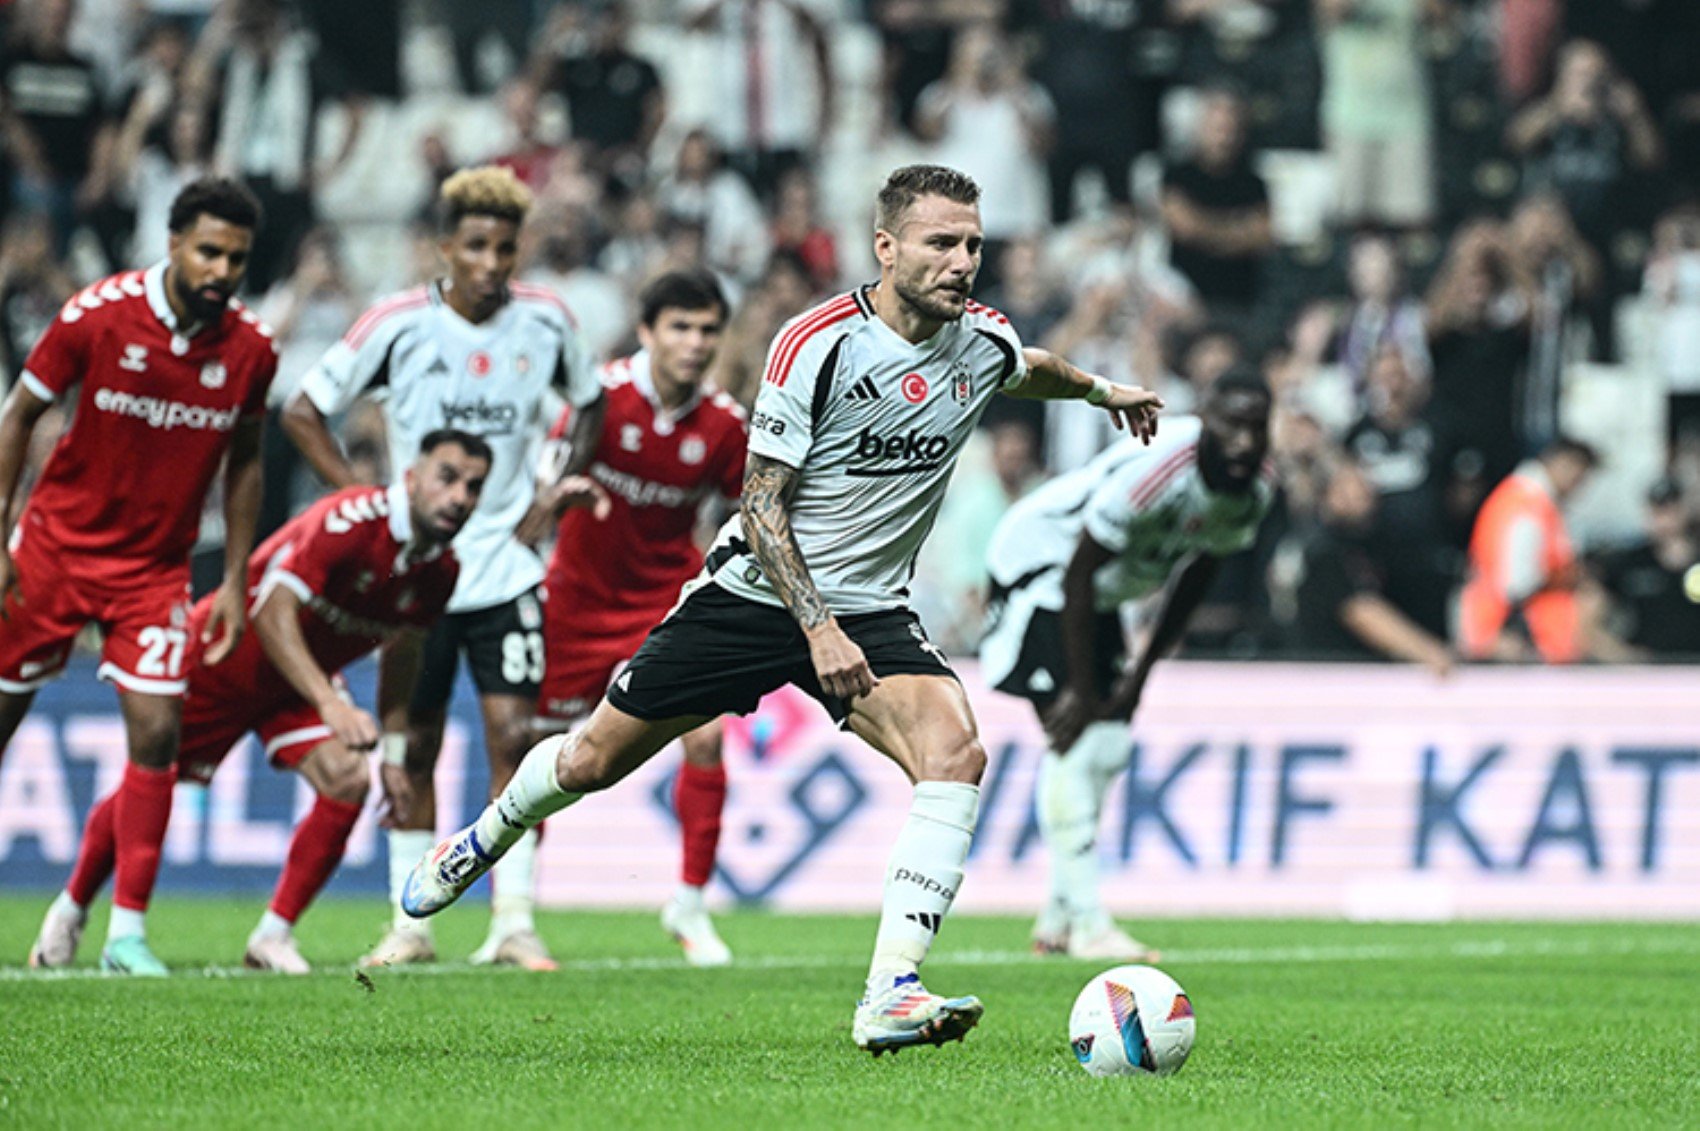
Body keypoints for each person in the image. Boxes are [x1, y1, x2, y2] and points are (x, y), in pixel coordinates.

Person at [398, 165, 1163, 1055]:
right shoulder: (818, 343)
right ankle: (487, 835)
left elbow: (1029, 371)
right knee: (589, 761)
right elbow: (760, 506)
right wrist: (817, 629)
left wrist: (1107, 392)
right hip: (757, 594)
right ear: (886, 248)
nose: (964, 262)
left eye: (974, 245)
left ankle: (891, 990)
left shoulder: (981, 341)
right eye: (942, 243)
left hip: (871, 606)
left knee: (956, 750)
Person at [280, 166, 606, 971]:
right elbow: (300, 409)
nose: (491, 264)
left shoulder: (547, 322)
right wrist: (365, 500)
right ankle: (411, 921)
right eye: (476, 247)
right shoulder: (396, 324)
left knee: (514, 735)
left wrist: (553, 490)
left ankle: (514, 921)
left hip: (509, 567)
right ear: (444, 248)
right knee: (413, 739)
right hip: (417, 576)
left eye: (504, 248)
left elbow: (592, 403)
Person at [30, 431, 490, 974]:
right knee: (154, 775)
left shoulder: (442, 571)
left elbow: (403, 654)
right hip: (225, 657)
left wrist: (392, 752)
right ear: (411, 477)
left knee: (349, 779)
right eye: (448, 477)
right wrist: (330, 702)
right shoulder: (349, 521)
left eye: (474, 486)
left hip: (293, 682)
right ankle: (74, 908)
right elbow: (272, 613)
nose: (460, 496)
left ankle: (272, 936)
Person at [0, 176, 273, 975]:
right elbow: (18, 417)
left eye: (238, 258)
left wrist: (234, 579)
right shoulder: (97, 314)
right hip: (51, 553)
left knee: (158, 730)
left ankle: (125, 933)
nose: (223, 269)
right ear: (174, 242)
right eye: (210, 252)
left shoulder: (252, 349)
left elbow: (248, 460)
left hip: (155, 571)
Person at [979, 372, 1274, 961]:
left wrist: (1140, 674)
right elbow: (1080, 568)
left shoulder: (1252, 495)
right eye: (1230, 427)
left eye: (1255, 429)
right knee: (1077, 738)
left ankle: (1057, 921)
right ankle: (1088, 923)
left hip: (1101, 597)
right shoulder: (1161, 470)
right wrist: (1085, 691)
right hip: (1041, 570)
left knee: (1109, 746)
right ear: (1206, 423)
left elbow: (1196, 580)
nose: (1243, 442)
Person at [532, 270, 748, 966]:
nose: (695, 342)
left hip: (663, 601)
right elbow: (547, 481)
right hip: (575, 599)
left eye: (708, 329)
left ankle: (688, 902)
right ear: (647, 331)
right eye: (680, 327)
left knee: (706, 736)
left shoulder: (723, 423)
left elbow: (755, 512)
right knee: (531, 749)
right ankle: (512, 913)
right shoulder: (600, 398)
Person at [1290, 457, 1455, 672]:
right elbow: (1362, 612)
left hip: (1357, 672)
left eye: (1364, 485)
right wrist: (1427, 651)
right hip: (1327, 673)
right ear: (1327, 495)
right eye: (1351, 487)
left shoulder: (1370, 541)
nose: (1364, 493)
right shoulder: (1322, 548)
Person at [1458, 436, 1598, 663]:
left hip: (1523, 643)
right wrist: (1570, 577)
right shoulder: (1526, 505)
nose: (1580, 485)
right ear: (1563, 463)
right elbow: (1518, 582)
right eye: (1580, 475)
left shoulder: (1531, 500)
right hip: (1513, 644)